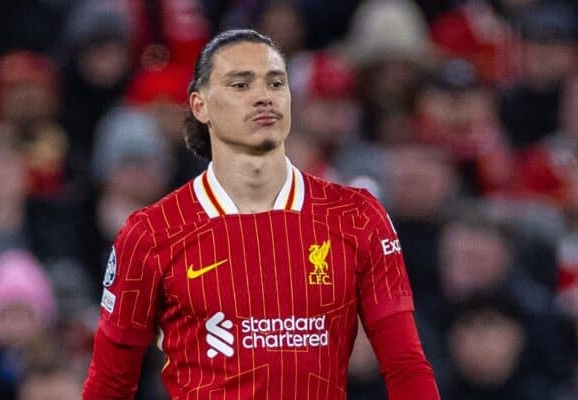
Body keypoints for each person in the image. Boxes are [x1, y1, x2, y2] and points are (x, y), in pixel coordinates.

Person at [82, 29, 440, 399]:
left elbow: (405, 366)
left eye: (275, 82)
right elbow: (110, 383)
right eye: (240, 84)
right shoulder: (152, 233)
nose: (263, 97)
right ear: (200, 105)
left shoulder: (357, 217)